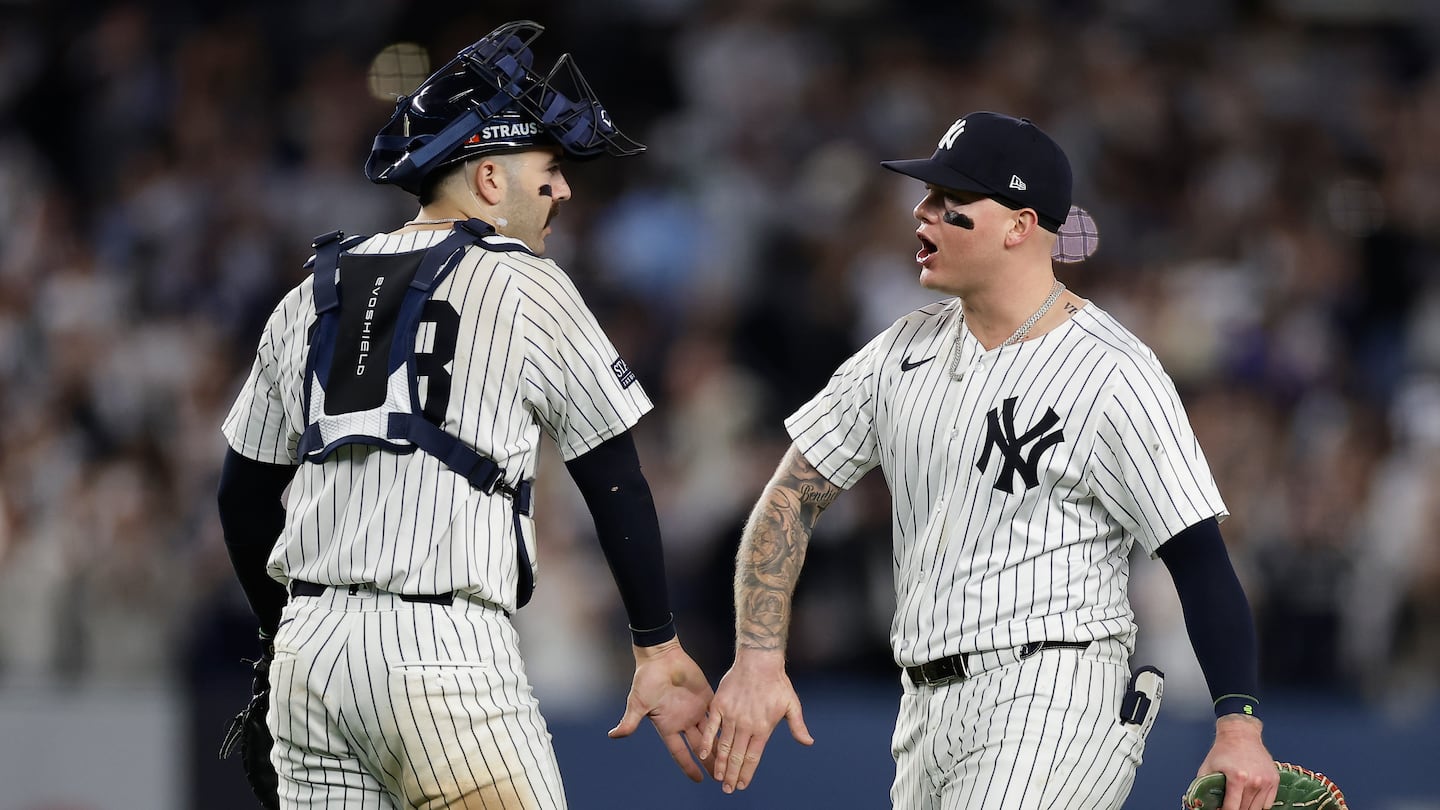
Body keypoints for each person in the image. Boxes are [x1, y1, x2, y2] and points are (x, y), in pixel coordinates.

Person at [699, 111, 1280, 810]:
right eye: (927, 197)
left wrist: (1239, 725)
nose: (923, 213)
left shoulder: (1113, 372)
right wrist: (758, 657)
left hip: (1056, 692)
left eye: (952, 203)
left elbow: (1197, 555)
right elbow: (791, 495)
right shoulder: (899, 352)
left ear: (1019, 225)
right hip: (922, 710)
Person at [216, 21, 713, 808]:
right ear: (488, 179)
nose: (563, 189)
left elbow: (241, 502)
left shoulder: (308, 294)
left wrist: (286, 636)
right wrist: (656, 643)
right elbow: (615, 477)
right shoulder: (526, 284)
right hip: (440, 654)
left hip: (308, 662)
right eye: (547, 169)